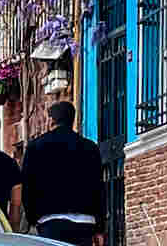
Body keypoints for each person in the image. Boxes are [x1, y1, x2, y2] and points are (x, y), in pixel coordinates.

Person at [21, 101, 104, 246]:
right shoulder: (91, 148)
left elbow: (28, 187)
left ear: (51, 120)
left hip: (50, 221)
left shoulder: (36, 147)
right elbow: (99, 188)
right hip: (85, 223)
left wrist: (32, 219)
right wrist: (100, 227)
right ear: (72, 119)